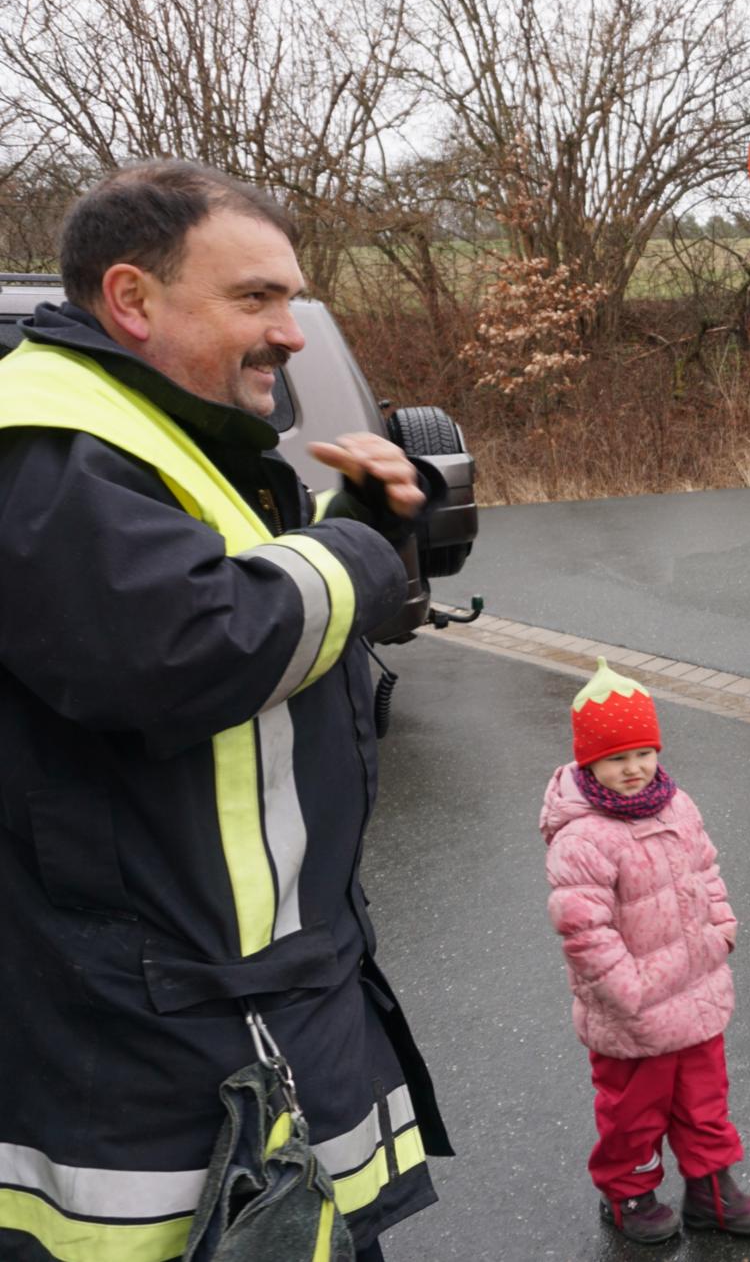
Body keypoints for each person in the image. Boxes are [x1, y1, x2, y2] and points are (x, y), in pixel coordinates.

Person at [0, 161, 449, 1260]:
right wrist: (358, 549)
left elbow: (260, 620)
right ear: (132, 299)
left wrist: (363, 524)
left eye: (290, 299)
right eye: (255, 298)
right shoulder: (47, 449)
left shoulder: (167, 431)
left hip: (244, 1008)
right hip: (162, 1046)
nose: (290, 332)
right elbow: (188, 647)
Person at [541, 658, 750, 1244]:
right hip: (634, 1010)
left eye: (643, 753)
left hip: (696, 991)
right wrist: (628, 991)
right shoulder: (582, 838)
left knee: (704, 1100)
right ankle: (628, 1194)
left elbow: (706, 870)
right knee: (631, 1113)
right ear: (589, 760)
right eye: (617, 757)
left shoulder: (677, 805)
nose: (634, 768)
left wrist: (721, 927)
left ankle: (712, 1191)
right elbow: (584, 930)